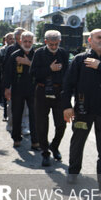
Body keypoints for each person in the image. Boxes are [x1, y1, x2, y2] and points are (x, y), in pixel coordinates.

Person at [62, 29, 101, 188]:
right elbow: (68, 85)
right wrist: (67, 106)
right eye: (99, 37)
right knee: (78, 142)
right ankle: (73, 172)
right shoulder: (79, 60)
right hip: (83, 110)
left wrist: (100, 66)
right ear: (90, 40)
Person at [30, 30, 69, 167]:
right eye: (51, 44)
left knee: (61, 124)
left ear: (60, 41)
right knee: (41, 125)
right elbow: (33, 73)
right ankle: (45, 153)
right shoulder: (39, 53)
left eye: (56, 44)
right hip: (42, 92)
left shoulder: (63, 53)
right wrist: (49, 69)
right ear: (45, 42)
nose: (53, 46)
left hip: (59, 92)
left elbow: (67, 73)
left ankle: (54, 146)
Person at [4, 31, 38, 149]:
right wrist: (7, 88)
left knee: (34, 116)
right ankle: (16, 138)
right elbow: (7, 73)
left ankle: (35, 141)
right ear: (20, 41)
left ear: (33, 42)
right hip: (18, 89)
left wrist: (28, 63)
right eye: (25, 41)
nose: (28, 44)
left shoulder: (37, 55)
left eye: (30, 41)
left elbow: (41, 71)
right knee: (16, 114)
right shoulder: (14, 55)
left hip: (33, 90)